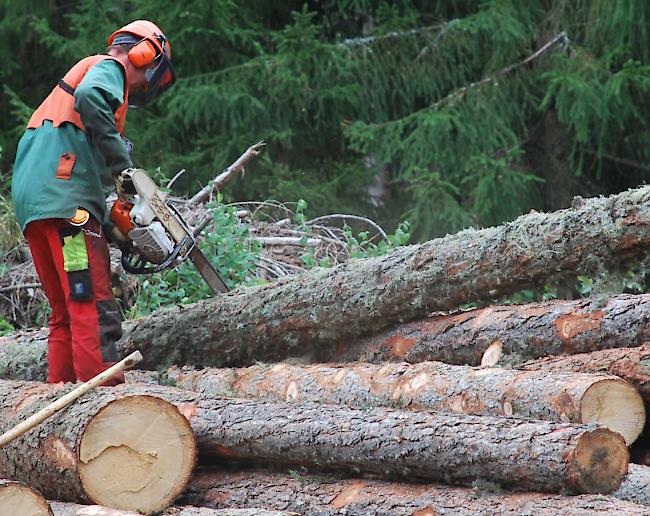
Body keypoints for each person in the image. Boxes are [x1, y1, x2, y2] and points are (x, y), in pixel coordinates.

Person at [11, 20, 176, 385]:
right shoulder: (108, 68)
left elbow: (77, 150)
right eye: (152, 72)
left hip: (39, 208)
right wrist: (125, 169)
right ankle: (103, 400)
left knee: (66, 311)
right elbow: (90, 99)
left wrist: (113, 224)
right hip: (69, 209)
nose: (146, 84)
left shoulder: (66, 95)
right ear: (144, 53)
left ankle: (61, 403)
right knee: (92, 306)